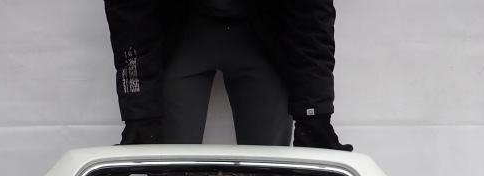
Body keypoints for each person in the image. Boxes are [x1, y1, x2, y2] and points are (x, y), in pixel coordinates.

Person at [103, 0, 352, 149]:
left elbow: (310, 10)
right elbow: (130, 12)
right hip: (180, 31)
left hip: (263, 33)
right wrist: (140, 112)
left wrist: (314, 111)